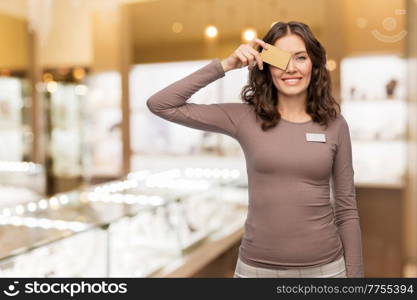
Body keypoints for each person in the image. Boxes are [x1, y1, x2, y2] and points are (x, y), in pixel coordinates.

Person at [146, 21, 364, 278]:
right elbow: (161, 104)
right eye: (281, 59)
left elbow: (347, 208)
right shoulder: (245, 117)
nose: (291, 68)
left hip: (326, 270)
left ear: (314, 65)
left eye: (301, 58)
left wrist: (355, 277)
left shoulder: (335, 125)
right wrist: (225, 66)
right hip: (256, 271)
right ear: (266, 65)